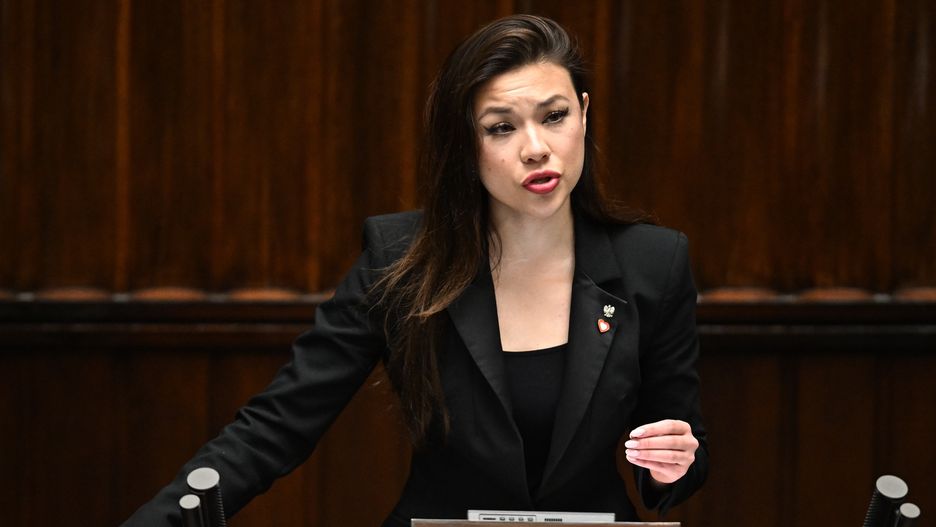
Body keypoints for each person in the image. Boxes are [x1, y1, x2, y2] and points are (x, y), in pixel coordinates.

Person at [122, 14, 707, 526]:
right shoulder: (402, 257)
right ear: (466, 143)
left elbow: (683, 449)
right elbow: (277, 425)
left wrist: (671, 463)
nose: (535, 147)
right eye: (501, 127)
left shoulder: (654, 263)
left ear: (583, 112)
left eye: (554, 116)